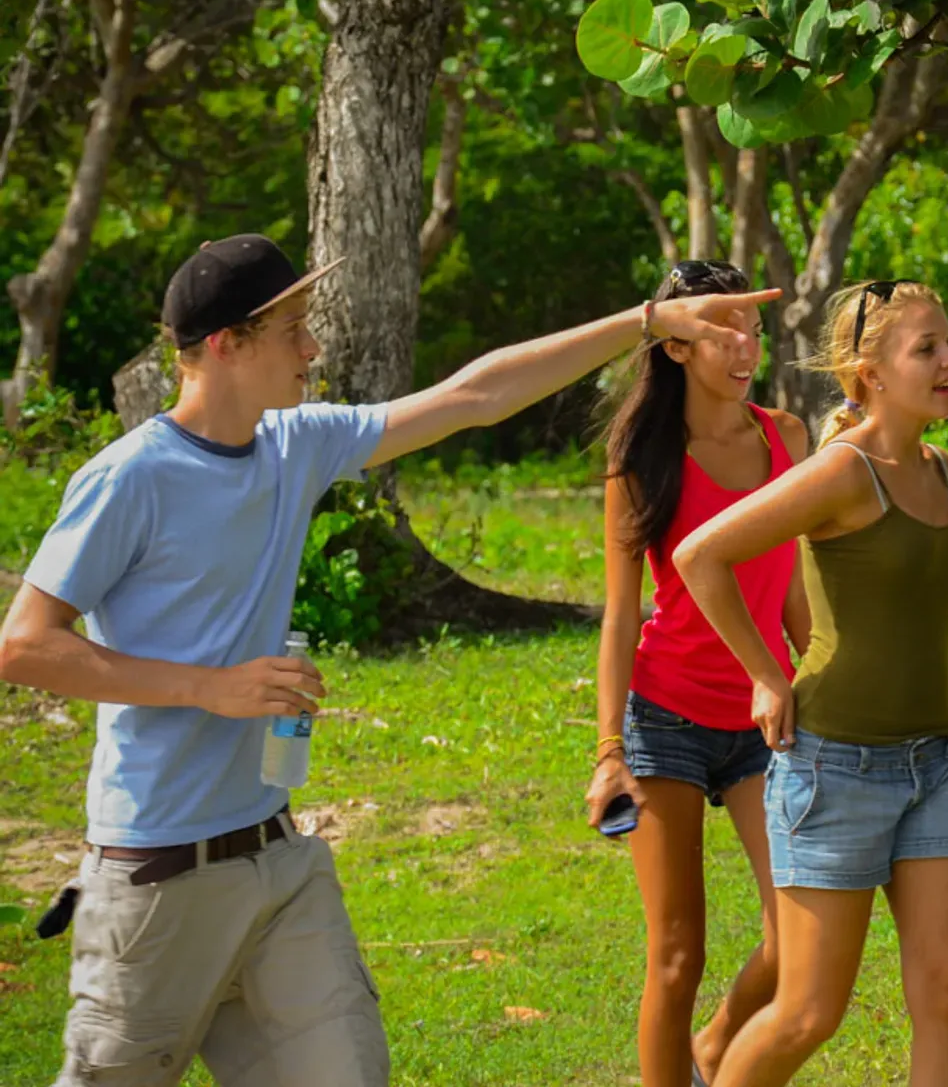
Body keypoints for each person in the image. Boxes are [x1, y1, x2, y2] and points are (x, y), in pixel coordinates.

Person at [0, 233, 776, 1087]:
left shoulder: (296, 446)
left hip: (274, 859)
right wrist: (209, 689)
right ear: (226, 344)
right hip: (154, 880)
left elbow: (476, 394)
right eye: (293, 328)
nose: (313, 347)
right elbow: (26, 644)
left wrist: (646, 321)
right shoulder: (130, 478)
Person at [673, 280, 948, 1087]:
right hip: (835, 768)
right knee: (811, 1010)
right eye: (927, 349)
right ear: (869, 372)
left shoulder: (941, 470)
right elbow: (700, 556)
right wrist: (767, 675)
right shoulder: (845, 472)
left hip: (941, 766)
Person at [584, 259, 811, 1087]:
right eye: (723, 329)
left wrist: (816, 677)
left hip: (765, 724)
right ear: (675, 343)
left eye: (753, 327)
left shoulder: (786, 436)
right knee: (676, 956)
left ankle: (716, 1050)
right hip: (667, 718)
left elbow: (790, 586)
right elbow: (620, 614)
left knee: (796, 948)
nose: (744, 345)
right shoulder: (642, 456)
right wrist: (609, 747)